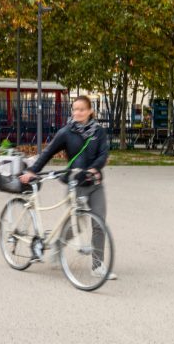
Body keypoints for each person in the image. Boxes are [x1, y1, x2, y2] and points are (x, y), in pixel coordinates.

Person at [19, 95, 116, 280]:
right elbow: (48, 153)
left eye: (81, 109)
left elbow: (103, 154)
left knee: (99, 223)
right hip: (75, 183)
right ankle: (57, 244)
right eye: (75, 109)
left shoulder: (98, 132)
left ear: (90, 111)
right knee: (77, 224)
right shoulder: (66, 132)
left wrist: (94, 169)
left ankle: (97, 266)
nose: (77, 112)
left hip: (95, 183)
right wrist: (32, 170)